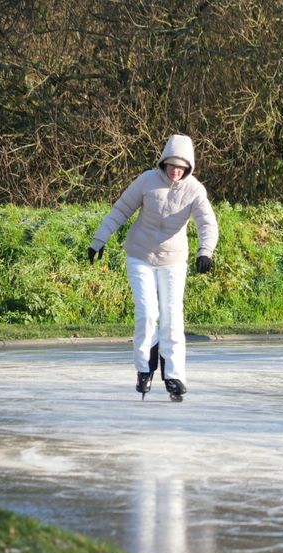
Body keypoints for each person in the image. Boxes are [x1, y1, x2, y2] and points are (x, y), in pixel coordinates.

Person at [87, 133, 219, 401]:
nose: (176, 171)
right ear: (163, 163)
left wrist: (205, 251)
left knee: (171, 317)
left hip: (173, 260)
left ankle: (174, 376)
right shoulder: (147, 180)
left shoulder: (194, 189)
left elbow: (207, 223)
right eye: (172, 165)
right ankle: (144, 368)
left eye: (181, 167)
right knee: (147, 313)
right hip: (140, 255)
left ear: (189, 168)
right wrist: (99, 239)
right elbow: (122, 209)